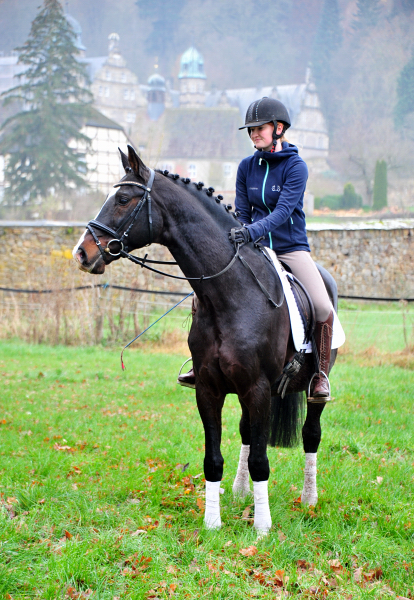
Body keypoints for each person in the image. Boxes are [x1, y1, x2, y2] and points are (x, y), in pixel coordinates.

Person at [178, 97, 333, 402]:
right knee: (202, 294)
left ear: (278, 128)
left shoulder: (296, 166)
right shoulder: (247, 166)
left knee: (323, 306)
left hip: (290, 248)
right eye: (250, 130)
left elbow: (284, 211)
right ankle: (201, 365)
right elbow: (243, 212)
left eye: (258, 128)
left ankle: (319, 375)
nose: (253, 134)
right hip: (254, 248)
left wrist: (251, 231)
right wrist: (242, 232)